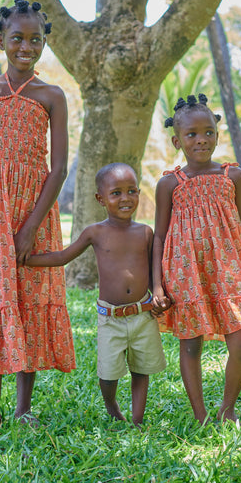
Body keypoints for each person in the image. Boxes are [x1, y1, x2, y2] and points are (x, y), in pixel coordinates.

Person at [0, 0, 75, 435]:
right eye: (17, 38)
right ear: (2, 40)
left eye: (36, 39)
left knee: (31, 303)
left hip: (37, 209)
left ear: (44, 43)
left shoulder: (52, 96)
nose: (27, 46)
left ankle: (24, 409)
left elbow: (59, 167)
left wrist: (30, 228)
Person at [152, 94, 241, 425]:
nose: (201, 139)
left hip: (228, 274)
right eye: (191, 134)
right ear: (178, 140)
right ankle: (201, 414)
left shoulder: (234, 177)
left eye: (208, 132)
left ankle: (227, 408)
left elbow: (237, 221)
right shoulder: (169, 184)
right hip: (185, 275)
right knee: (191, 347)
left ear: (218, 134)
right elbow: (159, 235)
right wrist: (157, 284)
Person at [26, 163, 169, 426]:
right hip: (111, 317)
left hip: (142, 313)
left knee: (141, 369)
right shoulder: (96, 232)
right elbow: (62, 257)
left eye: (132, 191)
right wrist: (24, 260)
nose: (125, 198)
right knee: (108, 372)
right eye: (116, 193)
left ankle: (137, 419)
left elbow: (153, 270)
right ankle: (111, 404)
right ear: (100, 199)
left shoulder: (144, 232)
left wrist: (159, 293)